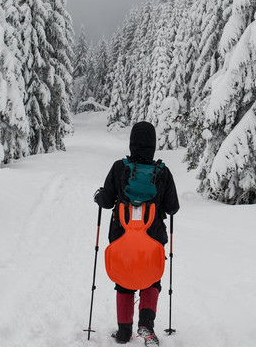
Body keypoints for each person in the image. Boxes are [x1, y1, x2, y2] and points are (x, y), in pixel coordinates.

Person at [94, 121, 179, 345]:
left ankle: (123, 332)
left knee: (124, 280)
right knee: (152, 279)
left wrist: (98, 195)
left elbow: (106, 201)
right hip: (152, 238)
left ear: (132, 143)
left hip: (122, 236)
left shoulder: (118, 168)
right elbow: (173, 208)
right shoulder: (163, 172)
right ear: (153, 144)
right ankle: (146, 324)